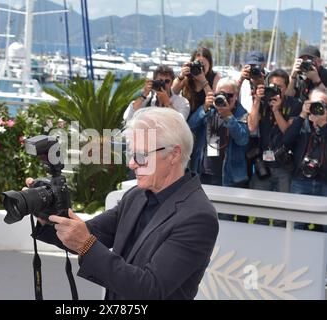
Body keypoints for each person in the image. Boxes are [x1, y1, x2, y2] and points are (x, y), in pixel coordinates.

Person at [30, 108, 219, 300]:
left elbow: (150, 289)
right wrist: (47, 213)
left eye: (141, 155)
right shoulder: (137, 195)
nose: (131, 163)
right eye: (131, 154)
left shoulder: (198, 217)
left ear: (173, 154)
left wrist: (86, 244)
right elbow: (89, 233)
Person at [187, 77, 249, 188]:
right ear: (216, 93)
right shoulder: (209, 109)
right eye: (221, 94)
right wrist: (204, 108)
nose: (225, 99)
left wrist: (229, 116)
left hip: (228, 175)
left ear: (236, 96)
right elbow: (190, 127)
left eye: (229, 96)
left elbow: (243, 140)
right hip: (204, 172)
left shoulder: (241, 113)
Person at [248, 69, 302, 193]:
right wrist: (257, 100)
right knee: (259, 206)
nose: (276, 90)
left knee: (283, 207)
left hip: (283, 165)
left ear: (286, 87)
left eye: (280, 87)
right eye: (273, 86)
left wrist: (276, 111)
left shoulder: (294, 104)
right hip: (263, 163)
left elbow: (288, 133)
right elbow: (252, 127)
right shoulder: (262, 102)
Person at [283, 89, 327, 231]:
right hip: (301, 180)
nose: (318, 108)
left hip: (324, 181)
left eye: (322, 104)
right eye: (314, 104)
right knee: (296, 224)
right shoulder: (301, 123)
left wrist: (323, 124)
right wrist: (302, 115)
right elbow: (286, 141)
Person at [124, 65, 190, 122]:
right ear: (154, 81)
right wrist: (144, 95)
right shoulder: (147, 99)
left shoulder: (182, 102)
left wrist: (167, 102)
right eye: (160, 81)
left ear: (172, 82)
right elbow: (129, 117)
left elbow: (180, 123)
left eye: (167, 81)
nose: (163, 84)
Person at [172, 47, 221, 117]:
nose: (200, 70)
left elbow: (214, 102)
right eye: (197, 66)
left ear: (209, 65)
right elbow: (173, 92)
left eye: (203, 67)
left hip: (205, 118)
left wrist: (203, 81)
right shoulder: (187, 76)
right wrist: (181, 76)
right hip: (186, 116)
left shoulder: (215, 77)